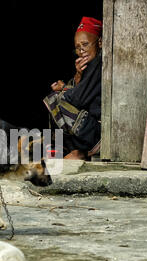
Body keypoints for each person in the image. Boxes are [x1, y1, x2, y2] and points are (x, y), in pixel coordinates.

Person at [43, 16, 102, 160]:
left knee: (54, 100)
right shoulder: (88, 67)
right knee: (56, 100)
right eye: (77, 47)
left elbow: (77, 99)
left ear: (99, 43)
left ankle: (65, 150)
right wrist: (78, 76)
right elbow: (80, 94)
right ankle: (62, 150)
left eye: (85, 44)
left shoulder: (100, 63)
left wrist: (64, 90)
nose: (81, 50)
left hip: (98, 133)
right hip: (90, 130)